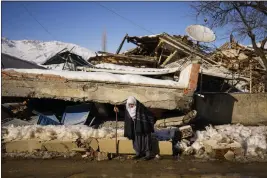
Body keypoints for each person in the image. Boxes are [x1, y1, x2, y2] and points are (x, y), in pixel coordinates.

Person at [114, 96, 155, 160]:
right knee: (136, 139)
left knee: (145, 140)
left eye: (132, 104)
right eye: (129, 104)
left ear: (135, 103)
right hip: (134, 127)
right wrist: (118, 111)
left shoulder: (140, 108)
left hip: (143, 126)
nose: (131, 106)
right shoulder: (128, 109)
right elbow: (124, 115)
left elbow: (148, 115)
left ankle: (148, 154)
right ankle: (138, 153)